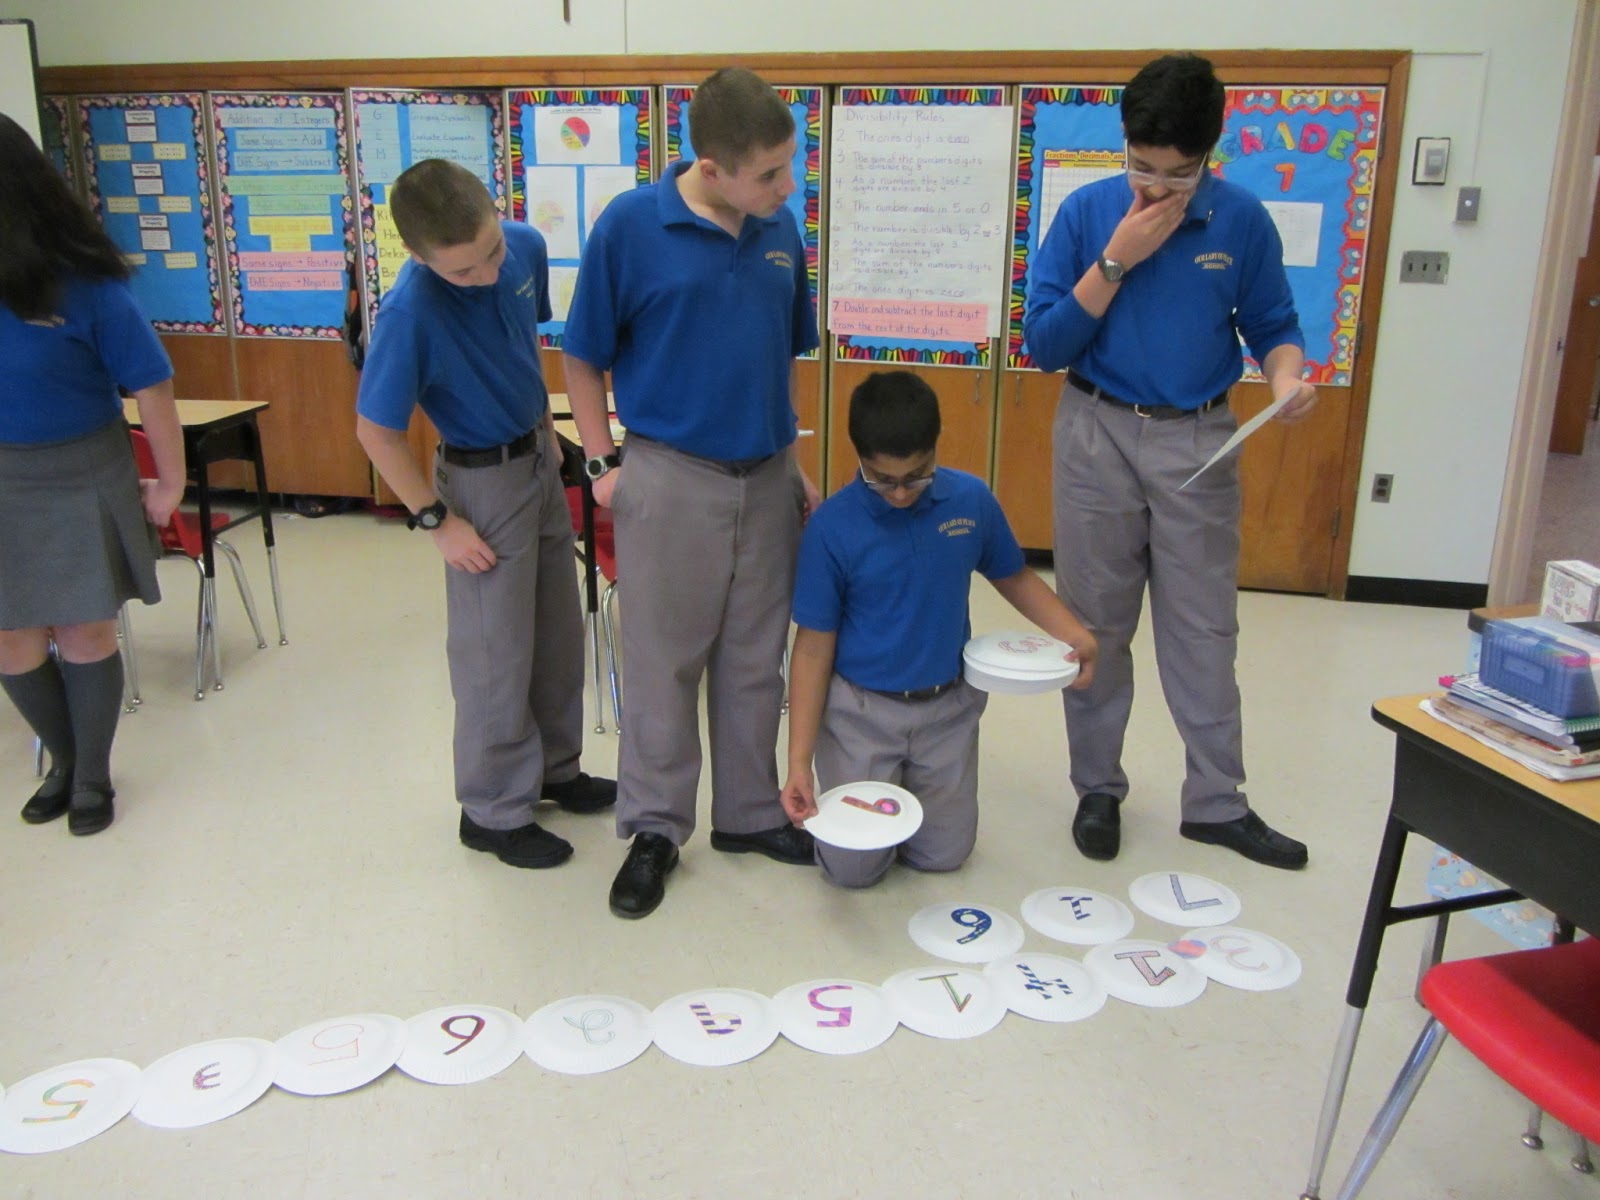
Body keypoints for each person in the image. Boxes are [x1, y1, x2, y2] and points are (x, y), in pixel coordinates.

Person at [1022, 53, 1316, 870]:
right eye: (1140, 167)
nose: (1154, 189)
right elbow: (1044, 345)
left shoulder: (1242, 222)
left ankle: (1217, 803)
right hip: (1096, 431)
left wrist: (1287, 376)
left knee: (1203, 632)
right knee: (1095, 627)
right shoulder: (1087, 213)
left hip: (1198, 438)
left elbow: (1274, 324)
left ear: (1209, 159)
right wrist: (1116, 259)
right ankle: (1097, 789)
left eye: (1176, 176)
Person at [562, 66, 821, 919]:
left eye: (791, 168)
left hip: (768, 473)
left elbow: (784, 351)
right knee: (664, 664)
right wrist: (602, 465)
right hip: (669, 477)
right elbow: (583, 354)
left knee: (755, 662)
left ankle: (747, 816)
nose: (788, 188)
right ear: (711, 168)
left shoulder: (780, 228)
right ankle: (656, 828)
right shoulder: (631, 226)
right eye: (771, 174)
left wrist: (794, 455)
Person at [355, 158, 614, 871]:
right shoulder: (409, 313)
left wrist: (545, 431)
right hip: (477, 483)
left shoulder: (522, 247)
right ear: (418, 256)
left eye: (491, 252)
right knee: (495, 654)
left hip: (535, 454)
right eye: (464, 271)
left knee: (558, 633)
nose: (488, 275)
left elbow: (521, 339)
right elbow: (376, 432)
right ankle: (494, 809)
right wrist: (437, 521)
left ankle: (556, 770)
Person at [778, 371, 1098, 887]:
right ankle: (872, 796)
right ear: (859, 457)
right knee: (852, 873)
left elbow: (1013, 575)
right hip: (860, 712)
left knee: (946, 856)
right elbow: (813, 648)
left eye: (917, 475)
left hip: (947, 708)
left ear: (936, 448)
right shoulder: (831, 528)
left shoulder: (970, 501)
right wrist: (798, 763)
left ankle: (915, 798)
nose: (901, 493)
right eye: (883, 479)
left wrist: (1074, 634)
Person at [0, 111, 186, 837]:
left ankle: (92, 776)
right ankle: (64, 763)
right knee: (12, 640)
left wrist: (169, 481)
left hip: (82, 468)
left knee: (83, 634)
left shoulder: (89, 286)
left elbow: (153, 385)